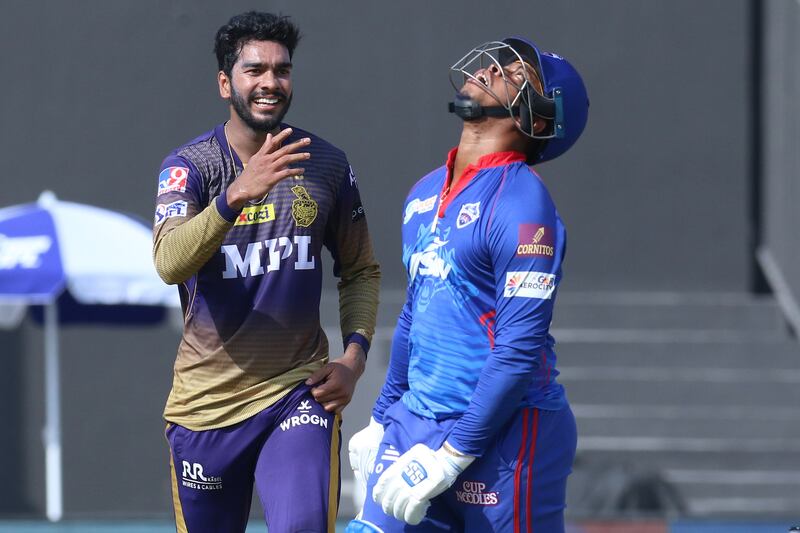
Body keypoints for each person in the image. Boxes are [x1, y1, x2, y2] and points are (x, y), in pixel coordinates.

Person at [346, 37, 588, 532]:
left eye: (516, 74)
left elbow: (518, 349)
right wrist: (380, 416)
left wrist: (453, 454)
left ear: (538, 119)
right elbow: (417, 311)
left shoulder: (524, 205)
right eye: (498, 61)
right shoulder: (424, 192)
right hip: (415, 421)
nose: (491, 68)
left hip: (510, 435)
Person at [151, 11, 381, 533]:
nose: (270, 83)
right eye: (255, 70)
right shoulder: (191, 167)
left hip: (297, 393)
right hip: (205, 407)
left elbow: (361, 269)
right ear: (225, 82)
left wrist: (353, 359)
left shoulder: (326, 164)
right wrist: (233, 197)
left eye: (282, 70)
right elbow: (169, 263)